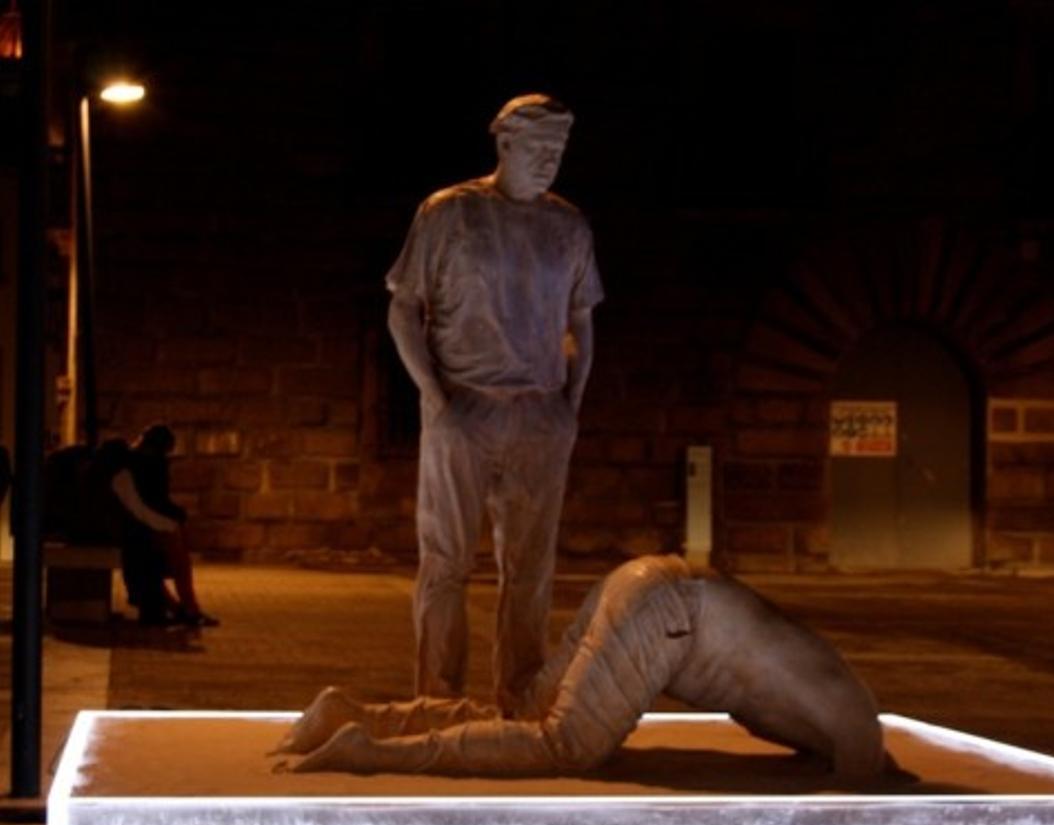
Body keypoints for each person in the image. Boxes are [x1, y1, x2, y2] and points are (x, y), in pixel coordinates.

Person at [273, 555, 888, 782]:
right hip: (676, 614)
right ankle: (374, 751)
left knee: (529, 714)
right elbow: (858, 790)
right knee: (564, 743)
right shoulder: (861, 737)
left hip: (649, 581)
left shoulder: (835, 704)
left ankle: (355, 713)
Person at [385, 93, 604, 714]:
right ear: (504, 143)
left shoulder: (569, 225)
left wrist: (570, 406)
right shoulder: (449, 213)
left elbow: (581, 319)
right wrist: (435, 396)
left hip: (539, 413)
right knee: (447, 560)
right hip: (466, 405)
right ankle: (438, 694)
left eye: (558, 152)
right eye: (538, 150)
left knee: (530, 568)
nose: (549, 164)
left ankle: (520, 692)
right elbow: (403, 309)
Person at [99, 425, 218, 627]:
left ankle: (182, 608)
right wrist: (174, 520)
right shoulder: (149, 464)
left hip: (130, 527)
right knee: (177, 559)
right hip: (134, 528)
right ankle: (189, 608)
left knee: (161, 558)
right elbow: (147, 505)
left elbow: (144, 503)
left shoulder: (130, 463)